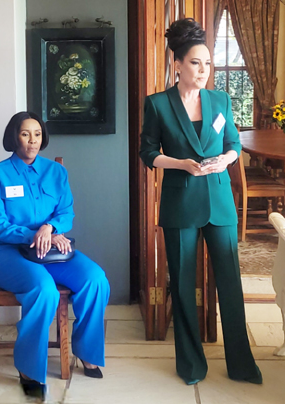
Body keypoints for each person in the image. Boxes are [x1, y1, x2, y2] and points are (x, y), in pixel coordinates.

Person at [139, 18, 262, 385]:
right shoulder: (158, 104)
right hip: (180, 204)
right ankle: (191, 365)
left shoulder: (220, 100)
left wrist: (226, 160)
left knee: (230, 283)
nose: (204, 70)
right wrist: (180, 164)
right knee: (181, 284)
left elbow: (234, 144)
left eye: (208, 63)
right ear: (177, 64)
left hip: (220, 201)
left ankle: (241, 364)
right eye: (195, 62)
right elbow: (147, 153)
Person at [0, 111, 110, 399]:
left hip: (51, 250)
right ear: (14, 137)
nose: (32, 140)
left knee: (96, 280)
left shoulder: (56, 172)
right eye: (25, 134)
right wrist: (34, 235)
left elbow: (66, 212)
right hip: (5, 252)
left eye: (37, 134)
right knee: (44, 290)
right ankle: (29, 368)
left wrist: (49, 229)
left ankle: (86, 350)